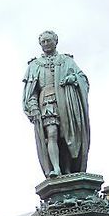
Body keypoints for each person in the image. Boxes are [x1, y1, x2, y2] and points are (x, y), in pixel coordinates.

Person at [23, 30, 90, 178]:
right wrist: (33, 106)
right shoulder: (34, 65)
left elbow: (82, 78)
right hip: (46, 101)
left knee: (65, 135)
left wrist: (73, 78)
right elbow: (30, 91)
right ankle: (56, 168)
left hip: (65, 102)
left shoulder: (66, 60)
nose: (46, 44)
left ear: (55, 41)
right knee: (51, 133)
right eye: (43, 42)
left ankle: (67, 169)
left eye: (48, 41)